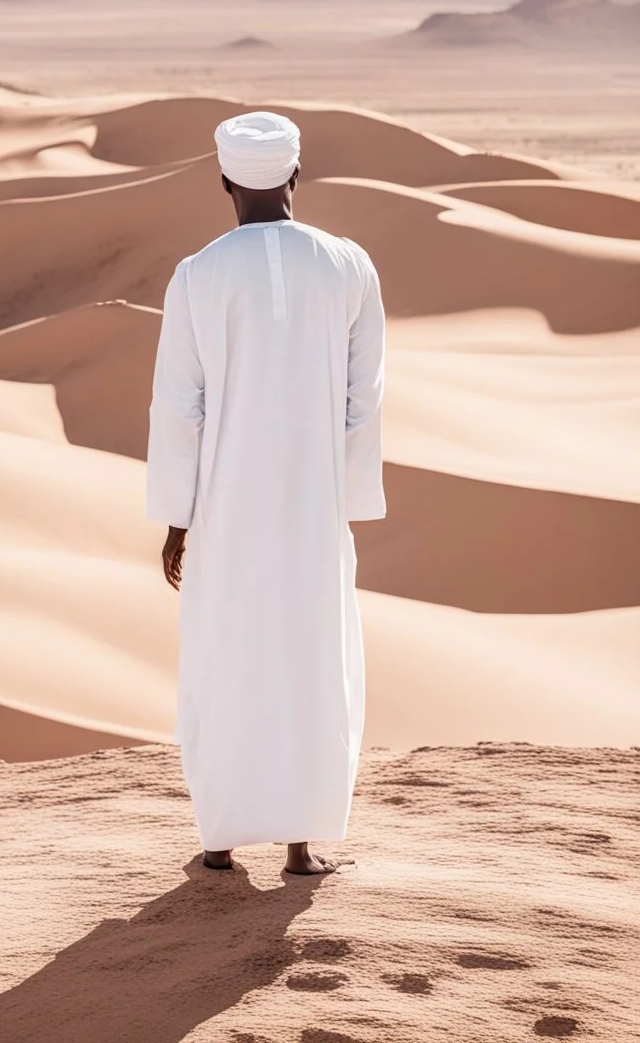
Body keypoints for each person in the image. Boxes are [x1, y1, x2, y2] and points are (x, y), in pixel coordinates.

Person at [146, 110, 386, 875]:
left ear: (223, 181)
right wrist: (342, 501)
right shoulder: (348, 264)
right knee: (310, 656)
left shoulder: (197, 274)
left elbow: (178, 407)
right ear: (295, 174)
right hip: (313, 511)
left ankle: (218, 839)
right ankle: (300, 847)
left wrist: (178, 520)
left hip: (224, 509)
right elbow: (365, 397)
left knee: (226, 653)